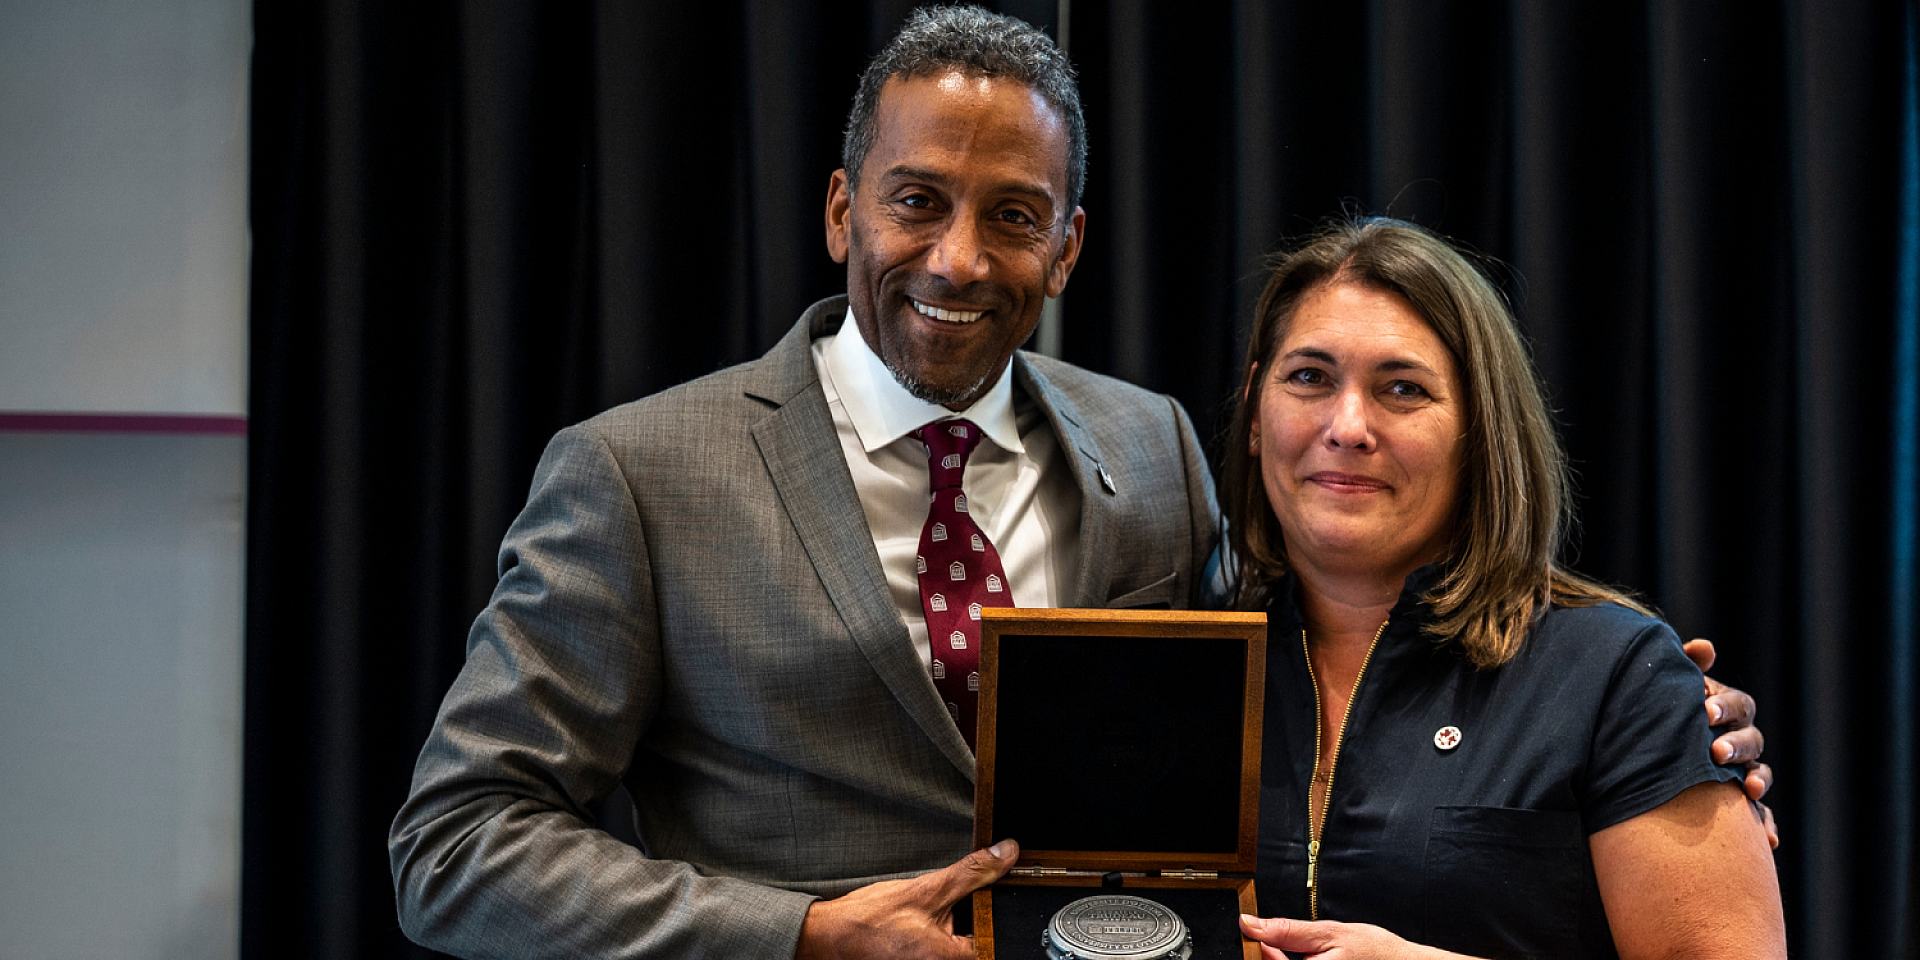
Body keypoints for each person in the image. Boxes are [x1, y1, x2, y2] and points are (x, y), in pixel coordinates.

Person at [390, 8, 1769, 959]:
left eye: (1014, 217)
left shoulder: (1152, 455)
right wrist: (800, 936)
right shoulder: (640, 474)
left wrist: (1646, 710)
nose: (957, 259)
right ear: (839, 210)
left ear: (1068, 248)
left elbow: (1338, 680)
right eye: (916, 200)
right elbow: (457, 847)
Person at [1221, 218, 1785, 959]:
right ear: (1257, 411)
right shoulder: (1193, 663)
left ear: (1482, 432)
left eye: (1402, 388)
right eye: (1309, 377)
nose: (1347, 425)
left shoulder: (1616, 677)